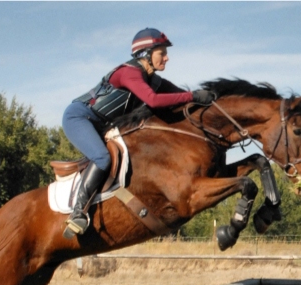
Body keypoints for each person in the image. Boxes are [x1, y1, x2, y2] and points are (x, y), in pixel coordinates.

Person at [61, 27, 216, 238]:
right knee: (102, 158)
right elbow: (154, 100)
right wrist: (192, 96)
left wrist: (207, 98)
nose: (167, 58)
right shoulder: (129, 73)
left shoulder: (153, 79)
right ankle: (78, 212)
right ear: (146, 54)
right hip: (79, 118)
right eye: (162, 52)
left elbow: (180, 95)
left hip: (102, 124)